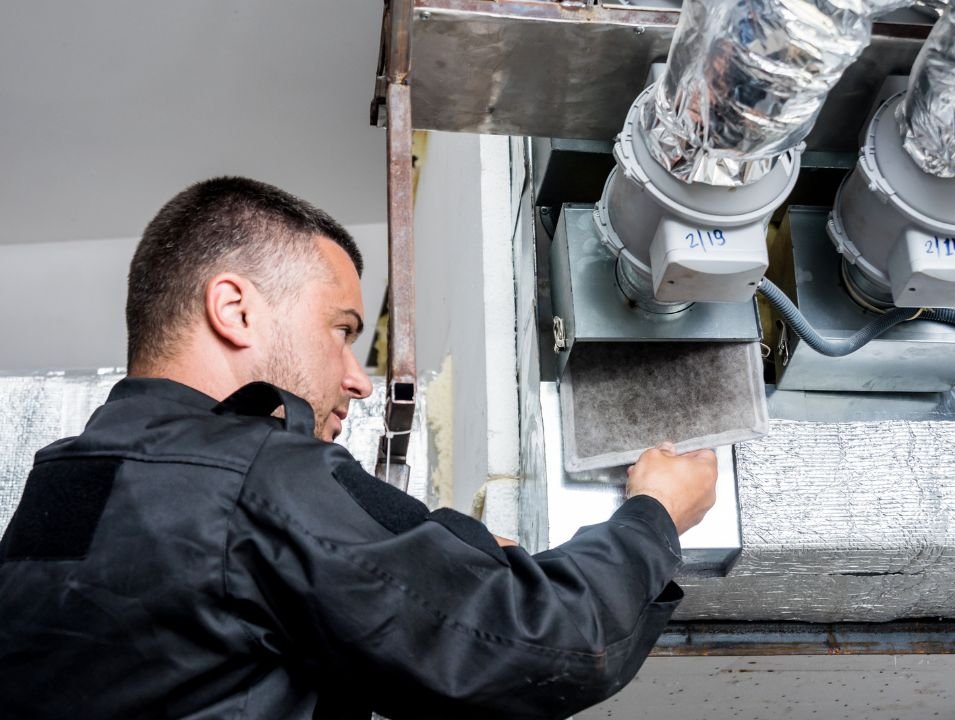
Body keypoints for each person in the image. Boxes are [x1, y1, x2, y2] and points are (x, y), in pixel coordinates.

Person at [0, 177, 719, 719]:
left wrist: (448, 554)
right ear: (235, 309)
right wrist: (653, 516)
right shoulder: (251, 474)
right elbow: (543, 643)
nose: (358, 380)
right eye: (341, 330)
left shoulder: (57, 495)